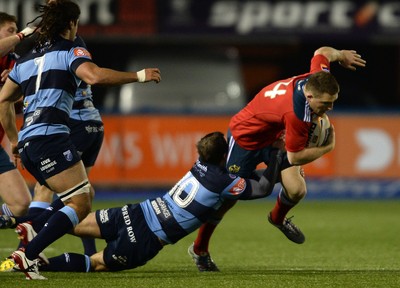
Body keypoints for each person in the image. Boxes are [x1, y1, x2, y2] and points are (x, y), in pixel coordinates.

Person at [0, 0, 161, 280]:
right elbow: (94, 77)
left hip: (28, 143)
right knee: (80, 202)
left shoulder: (24, 61)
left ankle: (31, 230)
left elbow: (4, 99)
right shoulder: (69, 51)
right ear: (72, 25)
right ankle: (28, 252)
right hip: (52, 137)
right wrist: (138, 75)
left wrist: (14, 139)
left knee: (79, 196)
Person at [1, 131, 284, 274]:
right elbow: (261, 188)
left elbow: (239, 179)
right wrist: (275, 157)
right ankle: (36, 264)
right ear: (224, 158)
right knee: (95, 264)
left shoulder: (200, 165)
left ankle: (29, 224)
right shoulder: (223, 182)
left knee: (75, 220)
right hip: (147, 237)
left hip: (137, 211)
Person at [188, 46, 367, 271]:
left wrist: (341, 55)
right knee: (227, 199)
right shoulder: (295, 114)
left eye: (333, 102)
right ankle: (199, 249)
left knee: (296, 189)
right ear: (310, 96)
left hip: (274, 136)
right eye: (325, 104)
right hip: (246, 139)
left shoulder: (318, 79)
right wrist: (327, 147)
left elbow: (321, 51)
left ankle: (277, 218)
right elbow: (295, 155)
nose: (329, 108)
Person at [0, 12, 33, 218]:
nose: (15, 35)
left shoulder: (15, 63)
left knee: (21, 204)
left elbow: (23, 101)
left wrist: (14, 89)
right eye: (9, 31)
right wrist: (22, 35)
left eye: (16, 30)